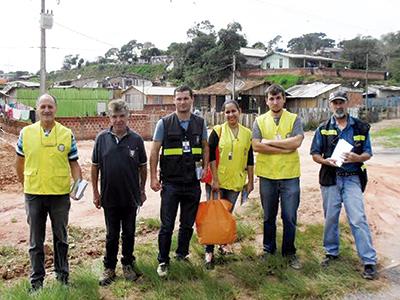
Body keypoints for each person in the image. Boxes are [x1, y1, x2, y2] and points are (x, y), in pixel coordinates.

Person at [15, 94, 82, 291]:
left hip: (59, 196)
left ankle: (62, 278)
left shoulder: (66, 134)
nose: (46, 110)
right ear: (37, 109)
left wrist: (77, 187)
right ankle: (36, 283)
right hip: (34, 195)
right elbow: (19, 163)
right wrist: (25, 184)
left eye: (50, 106)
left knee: (61, 238)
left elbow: (74, 164)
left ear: (56, 109)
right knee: (36, 242)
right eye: (43, 106)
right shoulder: (25, 133)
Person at [310, 90, 377, 280]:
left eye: (341, 102)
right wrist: (326, 161)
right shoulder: (323, 128)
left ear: (346, 104)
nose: (338, 106)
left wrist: (358, 157)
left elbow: (368, 153)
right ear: (330, 105)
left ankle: (369, 261)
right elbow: (314, 154)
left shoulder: (360, 128)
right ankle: (331, 253)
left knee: (357, 218)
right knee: (331, 218)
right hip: (330, 178)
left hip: (352, 178)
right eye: (335, 103)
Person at [150, 85, 208, 277]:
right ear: (174, 101)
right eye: (179, 99)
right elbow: (154, 151)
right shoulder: (164, 124)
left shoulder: (200, 123)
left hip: (192, 183)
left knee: (186, 224)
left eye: (185, 98)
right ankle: (163, 261)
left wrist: (206, 168)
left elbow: (205, 147)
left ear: (192, 99)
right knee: (167, 225)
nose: (182, 102)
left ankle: (182, 254)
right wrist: (153, 177)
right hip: (171, 183)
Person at [91, 99, 147, 286]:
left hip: (130, 197)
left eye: (122, 116)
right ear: (110, 117)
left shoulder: (136, 140)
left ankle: (128, 264)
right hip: (109, 197)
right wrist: (95, 192)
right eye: (114, 116)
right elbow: (95, 167)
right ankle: (109, 268)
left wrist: (142, 189)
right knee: (112, 234)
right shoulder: (101, 139)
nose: (118, 120)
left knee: (129, 233)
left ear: (128, 116)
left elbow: (143, 167)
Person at [252, 84, 304, 270]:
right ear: (266, 101)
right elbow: (256, 146)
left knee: (289, 216)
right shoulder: (259, 121)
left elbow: (297, 142)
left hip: (290, 176)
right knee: (269, 216)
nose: (275, 101)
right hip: (267, 176)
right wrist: (284, 146)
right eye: (271, 98)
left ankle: (289, 253)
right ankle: (268, 250)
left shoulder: (294, 119)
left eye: (278, 98)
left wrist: (270, 143)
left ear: (284, 99)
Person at [204, 99, 254, 268]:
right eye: (227, 112)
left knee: (226, 216)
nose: (231, 114)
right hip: (216, 182)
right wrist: (215, 179)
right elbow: (210, 156)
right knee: (213, 217)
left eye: (233, 111)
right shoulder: (217, 131)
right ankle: (209, 252)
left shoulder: (247, 133)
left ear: (240, 111)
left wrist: (250, 181)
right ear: (223, 114)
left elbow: (250, 158)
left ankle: (222, 245)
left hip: (236, 181)